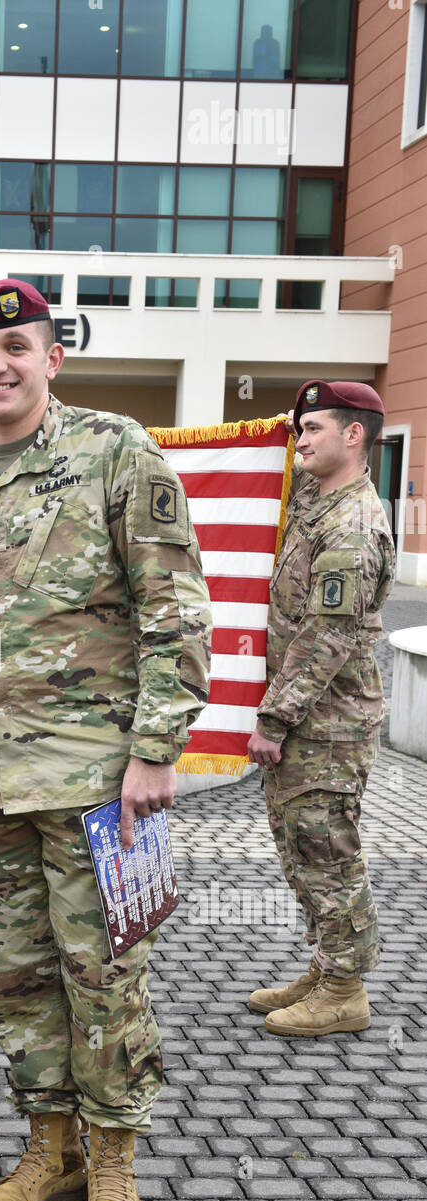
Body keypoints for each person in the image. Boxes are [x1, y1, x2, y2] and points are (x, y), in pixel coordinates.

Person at [0, 280, 212, 1201]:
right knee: (14, 978)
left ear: (53, 359)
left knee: (108, 974)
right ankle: (52, 1149)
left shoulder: (117, 451)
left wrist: (156, 750)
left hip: (101, 785)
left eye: (15, 347)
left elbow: (175, 608)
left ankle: (114, 1159)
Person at [247, 381, 395, 1036]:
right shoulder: (321, 500)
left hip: (326, 723)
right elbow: (302, 476)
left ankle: (344, 990)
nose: (300, 440)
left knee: (327, 851)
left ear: (353, 435)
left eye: (313, 429)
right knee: (300, 846)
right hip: (313, 718)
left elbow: (324, 637)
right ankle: (327, 964)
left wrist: (274, 718)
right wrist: (282, 436)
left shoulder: (351, 528)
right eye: (299, 430)